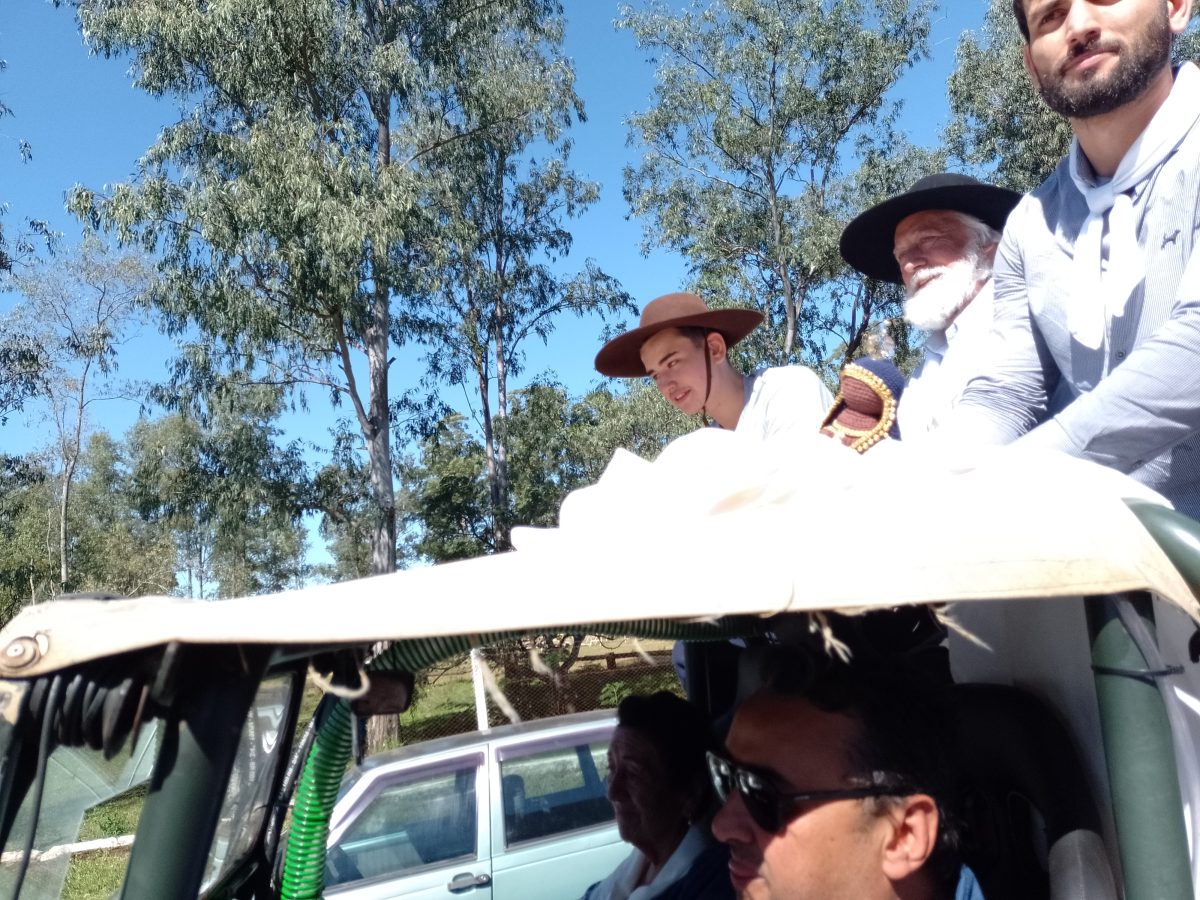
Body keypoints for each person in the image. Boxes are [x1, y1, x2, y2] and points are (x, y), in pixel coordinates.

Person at [943, 0, 1200, 517]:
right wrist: (930, 483)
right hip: (1089, 551)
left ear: (1176, 7)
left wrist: (1006, 485)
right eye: (1052, 16)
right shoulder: (1029, 225)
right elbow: (1006, 393)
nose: (1079, 26)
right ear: (1032, 66)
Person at [708, 651, 967, 900]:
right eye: (725, 777)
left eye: (760, 791)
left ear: (904, 835)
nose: (721, 827)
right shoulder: (710, 878)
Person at [839, 173, 1022, 436]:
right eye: (901, 256)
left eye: (928, 240)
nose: (909, 264)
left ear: (987, 247)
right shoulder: (927, 369)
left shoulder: (1030, 319)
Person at [594, 292, 831, 441]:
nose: (665, 386)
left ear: (715, 349)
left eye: (673, 363)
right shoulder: (706, 451)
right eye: (655, 375)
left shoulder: (788, 390)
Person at [582, 691, 734, 900]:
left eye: (634, 774)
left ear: (689, 794)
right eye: (611, 768)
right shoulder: (640, 863)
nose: (612, 792)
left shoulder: (713, 884)